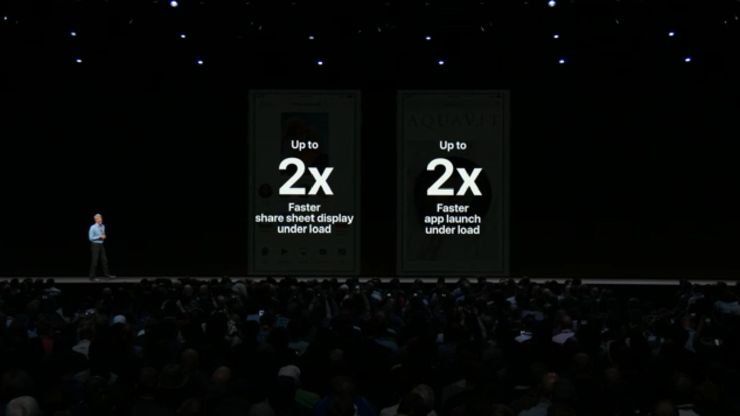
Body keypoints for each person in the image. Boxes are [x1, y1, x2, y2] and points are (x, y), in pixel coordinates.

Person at [89, 213, 115, 280]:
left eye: (101, 218)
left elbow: (103, 234)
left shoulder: (103, 226)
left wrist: (104, 236)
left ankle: (107, 275)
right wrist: (99, 237)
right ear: (96, 220)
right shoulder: (92, 227)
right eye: (99, 218)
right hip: (95, 245)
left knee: (104, 260)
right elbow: (90, 238)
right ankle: (92, 277)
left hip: (101, 244)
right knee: (95, 261)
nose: (100, 219)